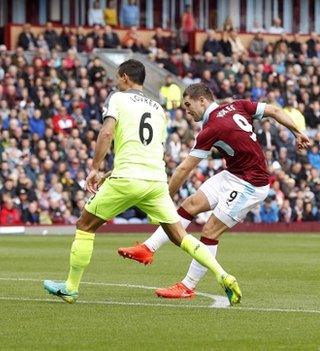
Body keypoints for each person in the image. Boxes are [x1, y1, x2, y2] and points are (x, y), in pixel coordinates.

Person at [43, 60, 242, 305]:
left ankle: (71, 287)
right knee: (180, 236)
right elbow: (149, 148)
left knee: (85, 225)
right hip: (155, 181)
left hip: (127, 178)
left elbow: (106, 133)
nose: (117, 82)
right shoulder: (159, 109)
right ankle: (223, 274)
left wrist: (95, 168)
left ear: (125, 77)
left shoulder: (118, 98)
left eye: (118, 78)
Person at [118, 83, 310, 299]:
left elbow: (184, 168)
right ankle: (148, 247)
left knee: (209, 231)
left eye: (189, 105)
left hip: (251, 184)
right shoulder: (238, 105)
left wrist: (163, 197)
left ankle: (187, 286)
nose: (187, 110)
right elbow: (274, 111)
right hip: (233, 174)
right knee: (189, 205)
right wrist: (297, 133)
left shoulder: (211, 129)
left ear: (203, 100)